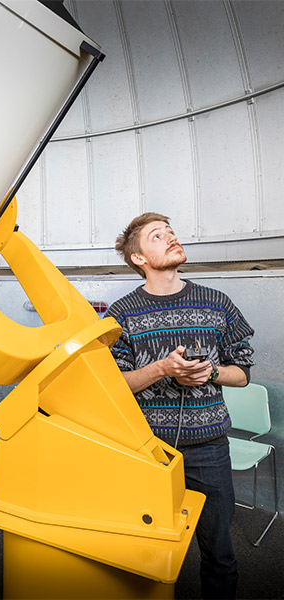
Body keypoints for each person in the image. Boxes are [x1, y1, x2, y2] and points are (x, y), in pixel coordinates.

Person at [105, 212, 254, 600]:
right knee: (142, 550)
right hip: (146, 452)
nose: (171, 238)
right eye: (158, 236)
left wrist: (210, 373)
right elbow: (112, 385)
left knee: (219, 552)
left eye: (171, 233)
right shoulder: (120, 315)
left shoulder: (217, 303)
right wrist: (161, 368)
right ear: (139, 258)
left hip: (209, 450)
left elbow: (243, 373)